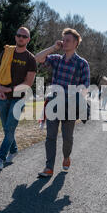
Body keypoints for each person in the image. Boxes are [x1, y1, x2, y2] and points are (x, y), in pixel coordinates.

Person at [35, 28, 90, 178]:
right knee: (50, 137)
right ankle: (49, 168)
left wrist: (78, 99)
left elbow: (85, 86)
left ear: (76, 43)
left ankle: (66, 157)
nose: (64, 43)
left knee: (67, 139)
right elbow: (37, 58)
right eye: (63, 40)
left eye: (68, 40)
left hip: (70, 108)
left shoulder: (82, 63)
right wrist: (54, 47)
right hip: (53, 104)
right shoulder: (56, 59)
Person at [0, 27, 37, 171]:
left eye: (24, 36)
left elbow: (28, 84)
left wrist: (9, 89)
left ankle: (0, 158)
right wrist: (0, 88)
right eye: (19, 35)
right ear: (15, 37)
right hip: (3, 96)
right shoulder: (6, 52)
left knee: (10, 128)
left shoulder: (31, 59)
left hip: (19, 98)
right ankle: (14, 149)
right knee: (6, 128)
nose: (21, 38)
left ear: (28, 39)